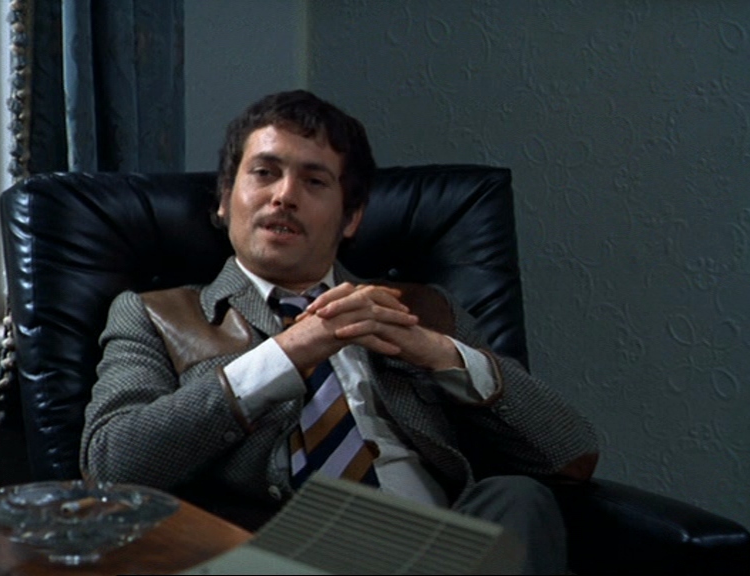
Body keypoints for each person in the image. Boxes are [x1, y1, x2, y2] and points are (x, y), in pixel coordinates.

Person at [80, 90, 599, 574]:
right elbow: (110, 466)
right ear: (223, 199)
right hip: (281, 557)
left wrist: (441, 353)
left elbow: (571, 454)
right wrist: (285, 354)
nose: (284, 196)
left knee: (518, 498)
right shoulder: (159, 315)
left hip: (439, 554)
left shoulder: (423, 310)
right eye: (264, 172)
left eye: (314, 182)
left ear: (351, 218)